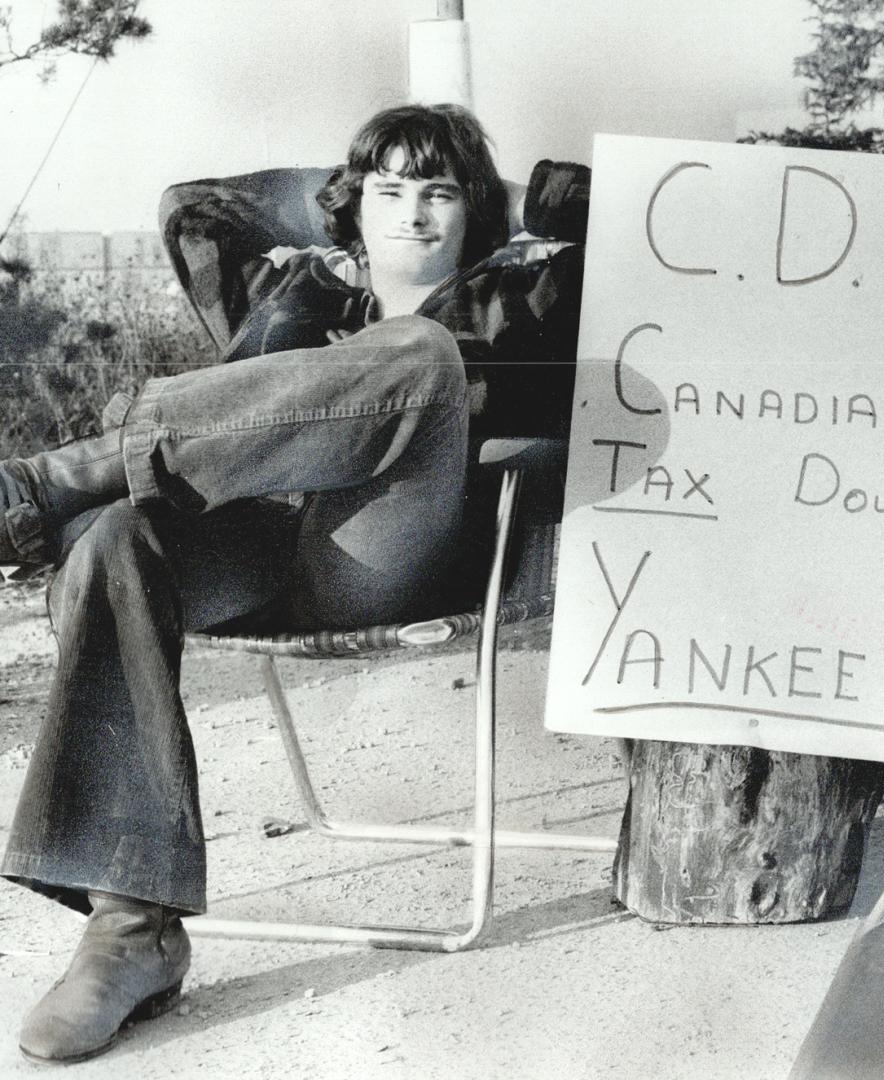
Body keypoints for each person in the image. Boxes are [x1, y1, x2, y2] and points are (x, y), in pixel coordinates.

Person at [0, 103, 588, 1064]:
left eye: (439, 194)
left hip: (395, 554)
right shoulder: (302, 293)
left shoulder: (524, 297)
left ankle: (43, 484)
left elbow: (672, 227)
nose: (413, 215)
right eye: (389, 193)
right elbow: (198, 210)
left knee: (417, 354)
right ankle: (130, 929)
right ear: (352, 208)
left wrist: (514, 195)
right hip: (259, 548)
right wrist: (351, 203)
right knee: (113, 539)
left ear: (474, 211)